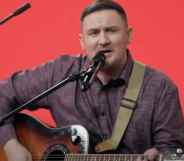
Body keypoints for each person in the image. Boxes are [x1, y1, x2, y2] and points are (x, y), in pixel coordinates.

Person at [0, 0, 184, 161]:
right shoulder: (60, 73)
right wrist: (10, 145)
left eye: (111, 31)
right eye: (94, 33)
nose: (103, 41)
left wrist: (160, 153)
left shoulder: (160, 88)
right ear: (82, 41)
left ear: (129, 35)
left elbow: (172, 151)